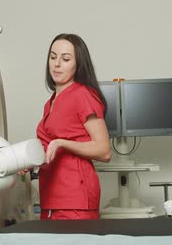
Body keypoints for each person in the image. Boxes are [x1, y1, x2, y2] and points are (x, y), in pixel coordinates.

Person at [35, 33, 111, 220]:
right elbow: (48, 149)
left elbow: (104, 151)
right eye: (53, 57)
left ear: (78, 64)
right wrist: (24, 161)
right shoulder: (50, 102)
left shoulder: (82, 95)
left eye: (66, 59)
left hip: (75, 197)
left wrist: (63, 143)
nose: (57, 64)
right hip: (50, 198)